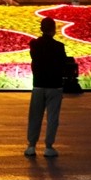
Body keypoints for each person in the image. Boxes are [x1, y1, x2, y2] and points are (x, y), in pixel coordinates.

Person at [25, 17, 67, 157]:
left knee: (35, 116)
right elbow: (63, 65)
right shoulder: (59, 46)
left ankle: (31, 145)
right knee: (52, 117)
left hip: (38, 84)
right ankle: (49, 146)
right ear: (54, 30)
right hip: (55, 85)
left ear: (41, 28)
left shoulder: (35, 44)